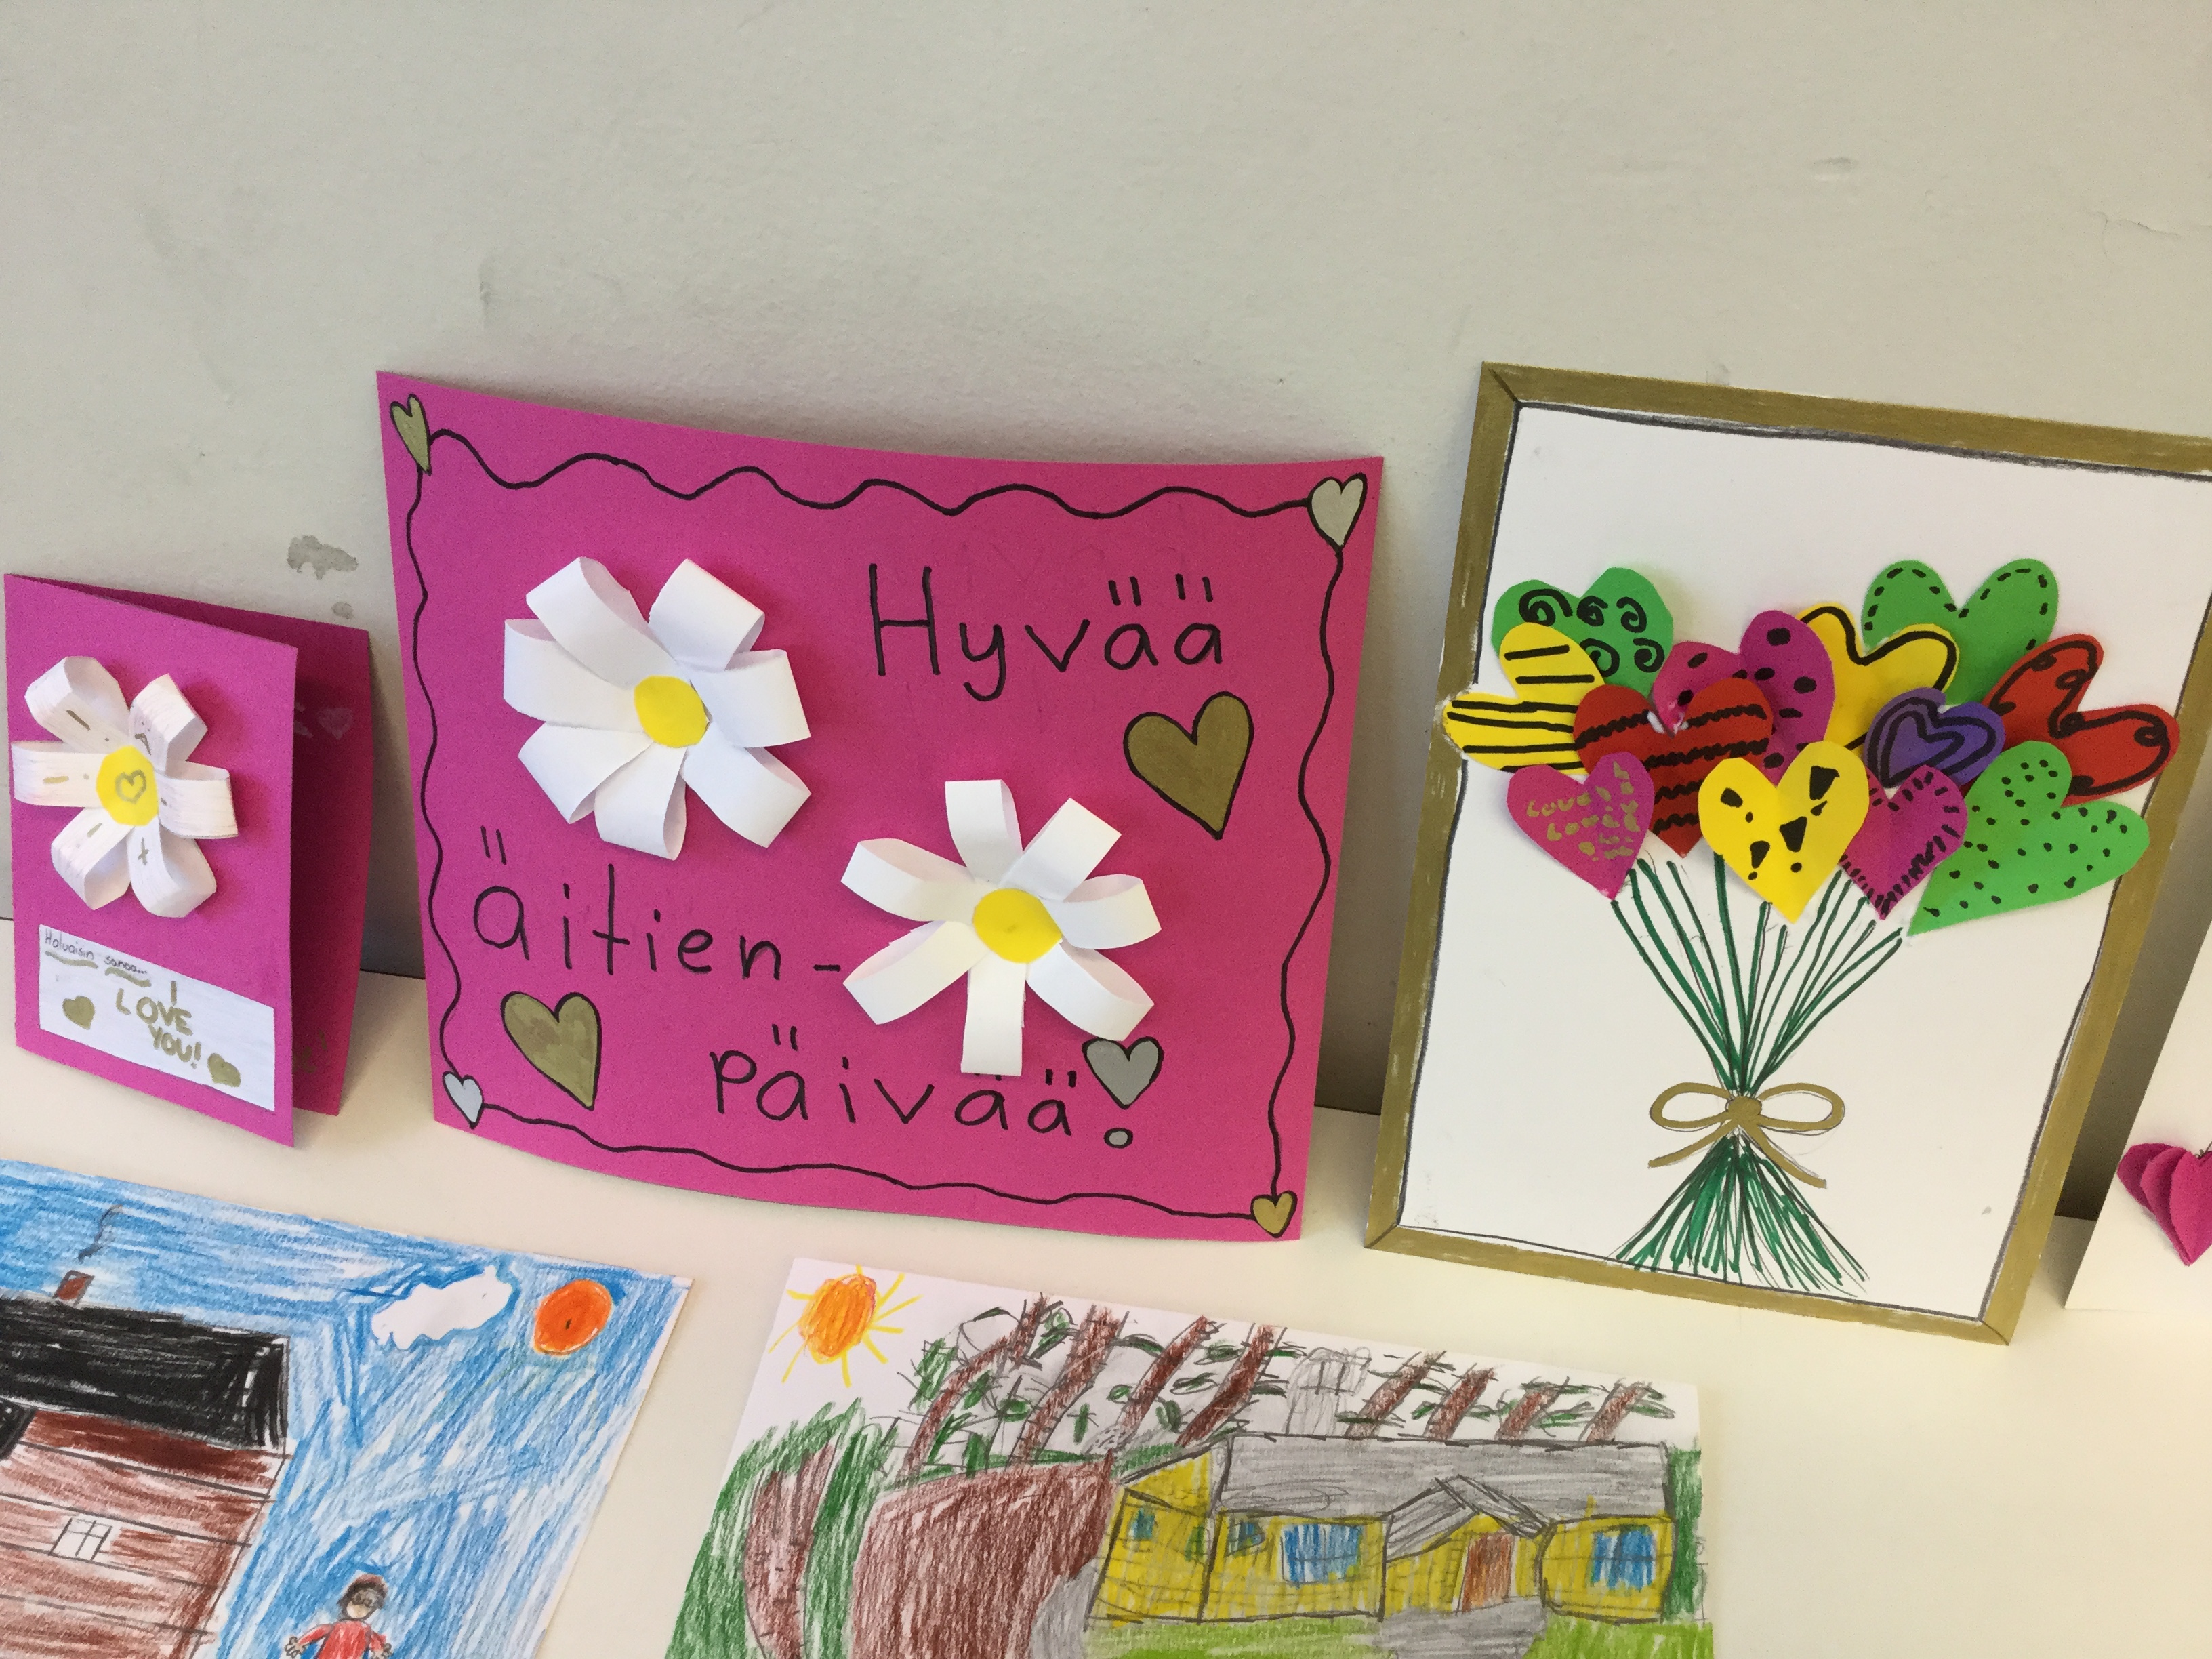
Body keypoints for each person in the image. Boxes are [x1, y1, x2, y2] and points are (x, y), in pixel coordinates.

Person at [284, 1573, 395, 1658]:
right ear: (348, 1599)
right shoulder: (336, 1626)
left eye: (367, 1604)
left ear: (372, 1610)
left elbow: (375, 1643)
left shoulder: (367, 1631)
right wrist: (300, 1643)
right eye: (358, 1599)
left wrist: (379, 1652)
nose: (360, 1607)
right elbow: (318, 1632)